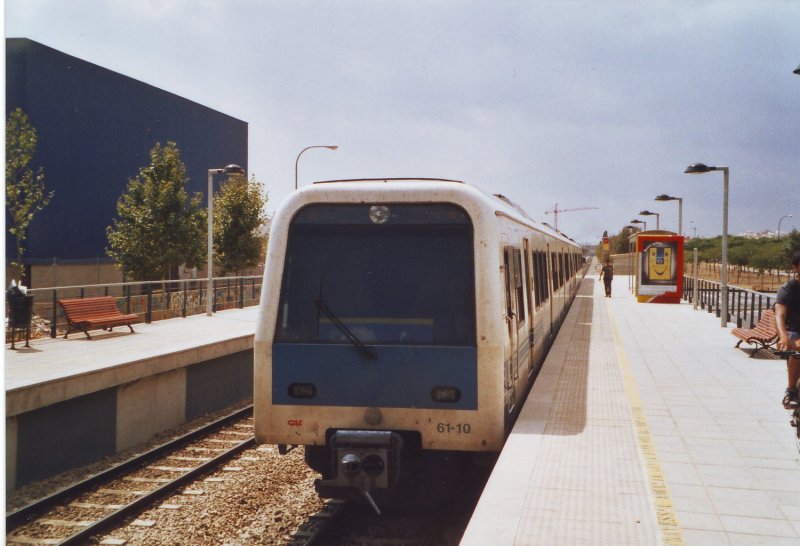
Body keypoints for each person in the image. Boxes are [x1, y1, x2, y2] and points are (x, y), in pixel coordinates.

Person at [776, 250, 800, 409]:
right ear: (797, 267)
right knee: (799, 348)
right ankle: (791, 390)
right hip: (794, 330)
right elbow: (780, 314)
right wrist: (783, 336)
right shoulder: (789, 289)